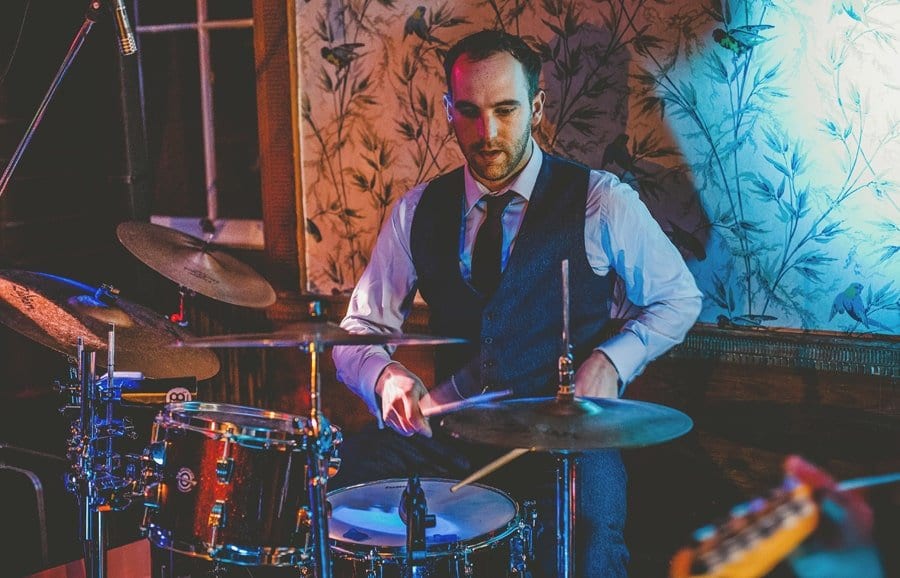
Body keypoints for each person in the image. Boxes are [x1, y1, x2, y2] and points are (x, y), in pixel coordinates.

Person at [331, 28, 702, 576]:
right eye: (470, 112)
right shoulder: (416, 211)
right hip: (451, 436)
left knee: (591, 532)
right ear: (448, 111)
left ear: (538, 107)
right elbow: (357, 328)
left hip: (570, 438)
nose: (489, 132)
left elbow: (679, 298)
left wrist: (612, 360)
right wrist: (385, 378)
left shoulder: (601, 201)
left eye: (506, 110)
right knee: (341, 488)